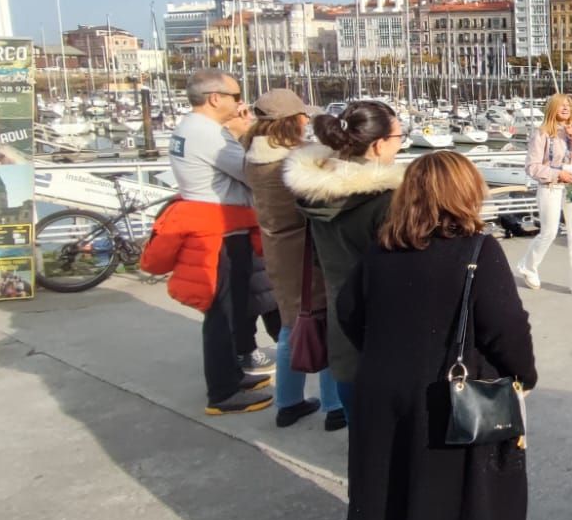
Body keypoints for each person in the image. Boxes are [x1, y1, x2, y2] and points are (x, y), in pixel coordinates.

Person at [338, 151, 536, 520]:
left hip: (384, 385)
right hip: (448, 389)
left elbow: (347, 312)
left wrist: (385, 354)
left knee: (401, 486)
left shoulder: (382, 249)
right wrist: (522, 376)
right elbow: (505, 326)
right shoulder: (477, 250)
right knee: (463, 494)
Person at [284, 98, 406, 433]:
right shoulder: (388, 200)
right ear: (380, 145)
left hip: (342, 326)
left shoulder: (315, 191)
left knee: (361, 439)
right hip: (389, 334)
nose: (401, 145)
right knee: (393, 446)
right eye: (400, 138)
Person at [160, 68, 273, 416]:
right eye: (236, 96)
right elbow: (253, 172)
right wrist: (247, 134)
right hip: (221, 233)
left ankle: (233, 376)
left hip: (217, 230)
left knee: (229, 309)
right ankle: (223, 392)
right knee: (222, 314)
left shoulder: (189, 128)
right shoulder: (208, 135)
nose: (240, 104)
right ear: (214, 98)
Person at [243, 89, 344, 430]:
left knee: (291, 325)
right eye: (303, 116)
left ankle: (289, 402)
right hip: (308, 249)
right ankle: (335, 405)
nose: (306, 121)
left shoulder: (253, 157)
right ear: (292, 121)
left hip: (278, 249)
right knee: (328, 323)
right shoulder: (296, 160)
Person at [517, 93, 572, 296]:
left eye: (568, 105)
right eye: (561, 105)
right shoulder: (542, 133)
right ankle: (528, 265)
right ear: (552, 108)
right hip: (550, 187)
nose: (565, 108)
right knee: (549, 231)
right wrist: (556, 173)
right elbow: (532, 167)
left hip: (571, 189)